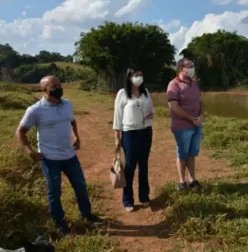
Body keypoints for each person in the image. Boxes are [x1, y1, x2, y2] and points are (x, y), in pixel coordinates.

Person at [15, 76, 104, 238]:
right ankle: (60, 223)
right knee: (54, 192)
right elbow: (20, 132)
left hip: (70, 156)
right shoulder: (35, 110)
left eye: (58, 84)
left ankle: (87, 215)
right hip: (49, 159)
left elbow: (72, 121)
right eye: (53, 86)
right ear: (44, 90)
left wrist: (76, 136)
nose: (58, 87)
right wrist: (29, 151)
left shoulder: (67, 104)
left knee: (80, 187)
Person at [113, 69, 154, 212]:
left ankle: (144, 197)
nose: (139, 78)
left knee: (144, 165)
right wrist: (117, 138)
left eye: (141, 75)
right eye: (136, 75)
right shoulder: (122, 94)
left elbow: (152, 110)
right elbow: (117, 117)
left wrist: (150, 114)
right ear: (129, 77)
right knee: (130, 166)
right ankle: (127, 199)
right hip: (130, 133)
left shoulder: (146, 92)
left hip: (146, 132)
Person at [167, 58, 204, 192]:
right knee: (182, 154)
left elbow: (201, 102)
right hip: (182, 127)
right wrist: (190, 118)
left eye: (192, 66)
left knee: (191, 154)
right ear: (181, 68)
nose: (192, 68)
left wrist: (201, 117)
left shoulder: (194, 83)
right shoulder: (174, 84)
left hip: (196, 125)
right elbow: (174, 107)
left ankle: (192, 180)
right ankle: (182, 182)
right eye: (189, 66)